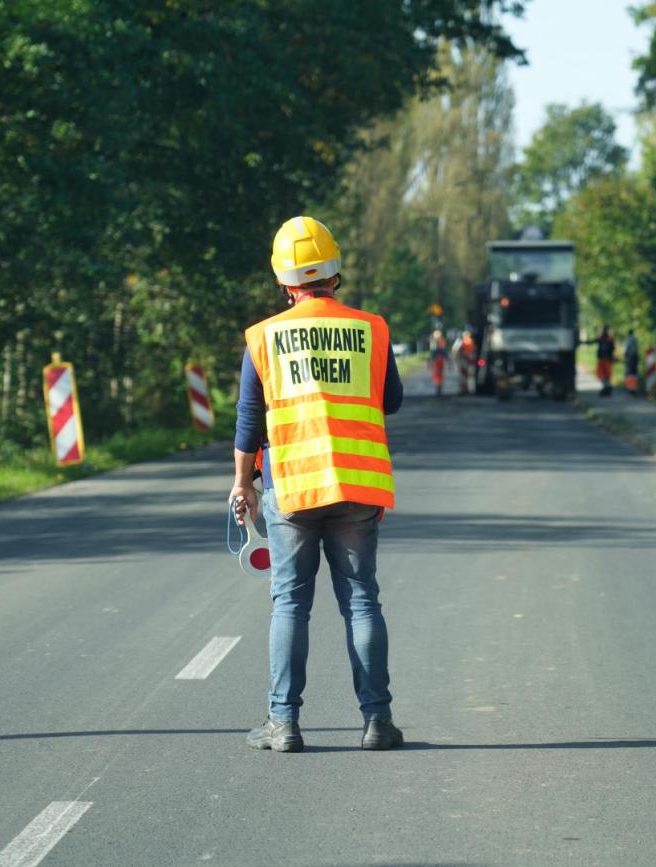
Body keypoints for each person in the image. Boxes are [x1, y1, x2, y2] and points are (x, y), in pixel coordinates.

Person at [230, 215, 405, 753]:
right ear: (335, 272)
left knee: (290, 603)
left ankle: (283, 724)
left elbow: (248, 419)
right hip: (356, 487)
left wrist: (244, 485)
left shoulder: (264, 337)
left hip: (293, 488)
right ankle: (377, 722)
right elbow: (391, 401)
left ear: (285, 282)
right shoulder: (371, 329)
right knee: (361, 602)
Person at [452, 328, 477, 395]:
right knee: (470, 376)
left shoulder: (461, 341)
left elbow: (455, 350)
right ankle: (469, 389)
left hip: (464, 360)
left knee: (463, 376)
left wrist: (456, 358)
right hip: (469, 361)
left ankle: (463, 389)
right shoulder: (471, 341)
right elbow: (473, 351)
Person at [595, 325, 615, 397]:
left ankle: (607, 387)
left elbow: (612, 348)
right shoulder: (606, 339)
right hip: (604, 359)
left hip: (606, 359)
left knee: (604, 374)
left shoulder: (607, 339)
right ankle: (607, 387)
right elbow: (613, 348)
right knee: (602, 374)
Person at [428, 329, 448, 397]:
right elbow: (432, 353)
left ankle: (439, 387)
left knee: (438, 375)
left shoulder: (439, 342)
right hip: (437, 361)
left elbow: (442, 352)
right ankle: (438, 387)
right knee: (437, 375)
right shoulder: (435, 342)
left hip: (439, 361)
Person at [623, 329, 640, 395]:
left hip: (629, 358)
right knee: (635, 373)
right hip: (635, 357)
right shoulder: (635, 340)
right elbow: (637, 349)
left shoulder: (627, 340)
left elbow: (626, 350)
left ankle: (630, 388)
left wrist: (625, 357)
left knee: (629, 373)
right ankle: (635, 387)